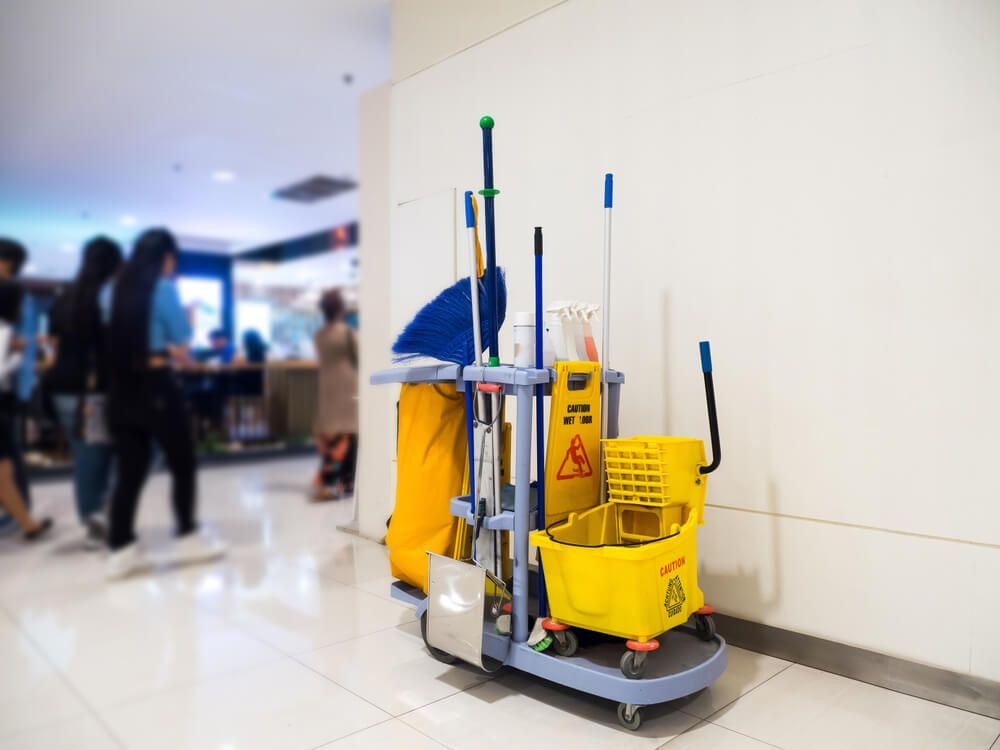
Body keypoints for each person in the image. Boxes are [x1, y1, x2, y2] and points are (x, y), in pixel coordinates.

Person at [105, 228, 225, 579]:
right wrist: (188, 318)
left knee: (129, 470)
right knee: (182, 461)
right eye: (173, 259)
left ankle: (120, 546)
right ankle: (187, 533)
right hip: (156, 386)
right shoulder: (163, 289)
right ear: (165, 257)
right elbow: (182, 342)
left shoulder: (112, 290)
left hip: (119, 388)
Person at [45, 236, 122, 548]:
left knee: (86, 460)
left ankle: (93, 523)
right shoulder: (107, 298)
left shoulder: (65, 295)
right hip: (94, 391)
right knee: (112, 456)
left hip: (62, 388)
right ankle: (101, 520)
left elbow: (54, 340)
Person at [0, 280, 52, 541]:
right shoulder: (5, 330)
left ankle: (28, 524)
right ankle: (28, 524)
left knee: (4, 473)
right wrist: (18, 355)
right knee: (4, 472)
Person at [312, 289, 358, 500]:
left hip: (327, 385)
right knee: (350, 433)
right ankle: (346, 481)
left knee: (331, 435)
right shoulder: (346, 332)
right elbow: (358, 356)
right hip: (347, 385)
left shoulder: (319, 334)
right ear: (340, 309)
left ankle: (329, 480)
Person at [0, 238, 33, 513]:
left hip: (8, 384)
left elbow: (21, 341)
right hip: (10, 382)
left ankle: (18, 510)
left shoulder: (15, 294)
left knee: (9, 450)